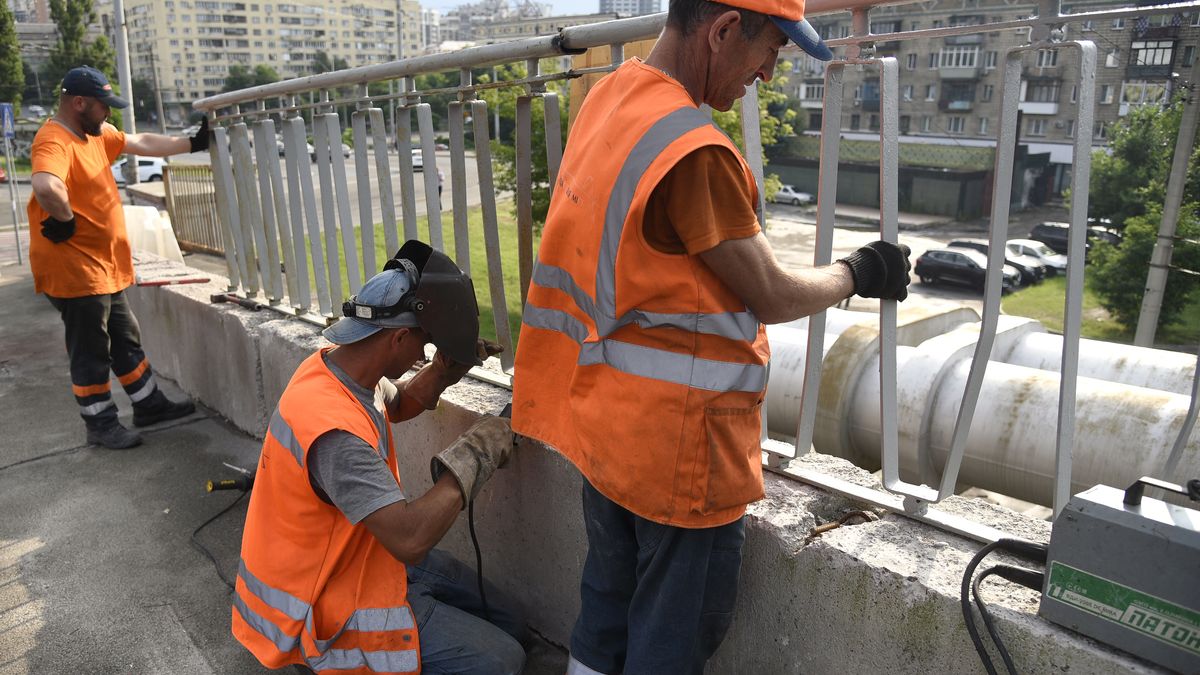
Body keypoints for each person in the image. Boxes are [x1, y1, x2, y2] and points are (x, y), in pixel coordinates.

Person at [510, 0, 912, 672]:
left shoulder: (609, 99)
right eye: (772, 49)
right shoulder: (692, 151)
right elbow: (773, 293)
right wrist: (859, 271)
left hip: (604, 424)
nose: (769, 71)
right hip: (679, 452)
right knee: (671, 638)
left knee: (605, 609)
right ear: (725, 29)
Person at [232, 241, 525, 675]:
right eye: (425, 343)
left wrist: (444, 371)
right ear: (400, 336)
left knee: (513, 624)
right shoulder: (334, 432)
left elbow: (397, 401)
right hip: (325, 602)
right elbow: (409, 540)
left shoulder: (335, 368)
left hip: (358, 553)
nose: (424, 354)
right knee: (503, 660)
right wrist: (476, 451)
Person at [27, 65, 209, 449]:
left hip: (102, 267)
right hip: (74, 270)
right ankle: (100, 424)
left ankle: (149, 404)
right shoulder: (54, 139)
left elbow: (141, 141)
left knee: (124, 337)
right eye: (102, 106)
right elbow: (45, 184)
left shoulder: (94, 134)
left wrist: (192, 143)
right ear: (79, 103)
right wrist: (65, 219)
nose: (108, 113)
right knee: (91, 348)